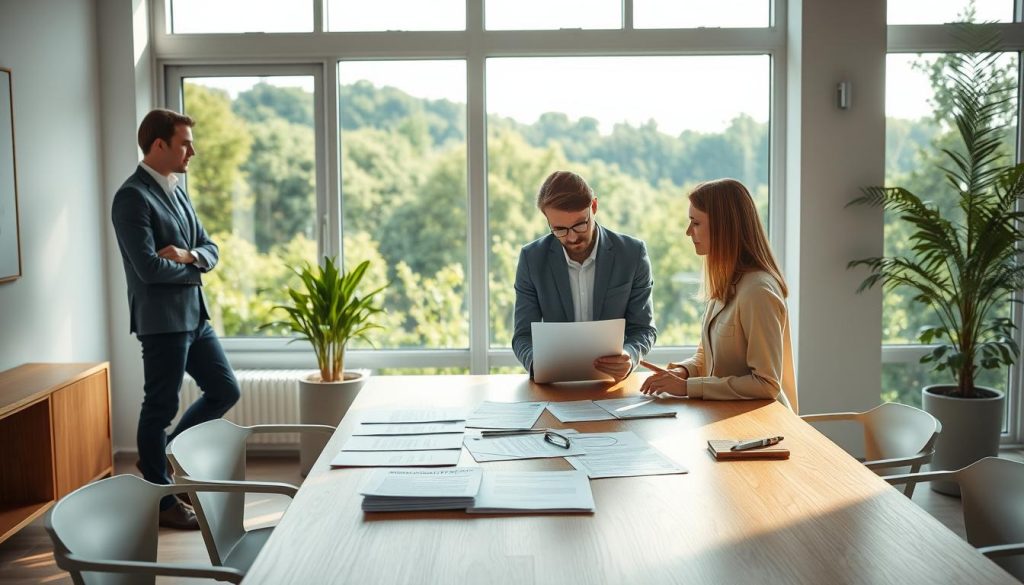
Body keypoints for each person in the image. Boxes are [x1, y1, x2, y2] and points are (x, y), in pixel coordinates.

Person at [112, 109, 241, 529]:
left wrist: (189, 256)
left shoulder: (177, 191)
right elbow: (148, 268)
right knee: (160, 407)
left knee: (224, 389)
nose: (193, 151)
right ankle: (161, 500)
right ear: (158, 145)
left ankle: (167, 461)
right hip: (162, 321)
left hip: (194, 317)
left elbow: (210, 247)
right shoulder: (131, 197)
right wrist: (197, 268)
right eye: (185, 143)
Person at [640, 178, 797, 412]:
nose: (688, 232)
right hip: (728, 419)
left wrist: (687, 387)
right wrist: (681, 372)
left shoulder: (758, 291)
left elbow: (766, 385)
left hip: (763, 427)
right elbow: (707, 356)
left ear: (724, 226)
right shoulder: (727, 282)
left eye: (696, 222)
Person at [513, 170, 657, 381]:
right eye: (560, 229)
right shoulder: (532, 259)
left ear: (594, 207)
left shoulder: (632, 254)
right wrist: (537, 364)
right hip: (554, 386)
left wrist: (630, 356)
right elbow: (523, 336)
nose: (572, 237)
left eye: (580, 224)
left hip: (611, 386)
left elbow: (644, 329)